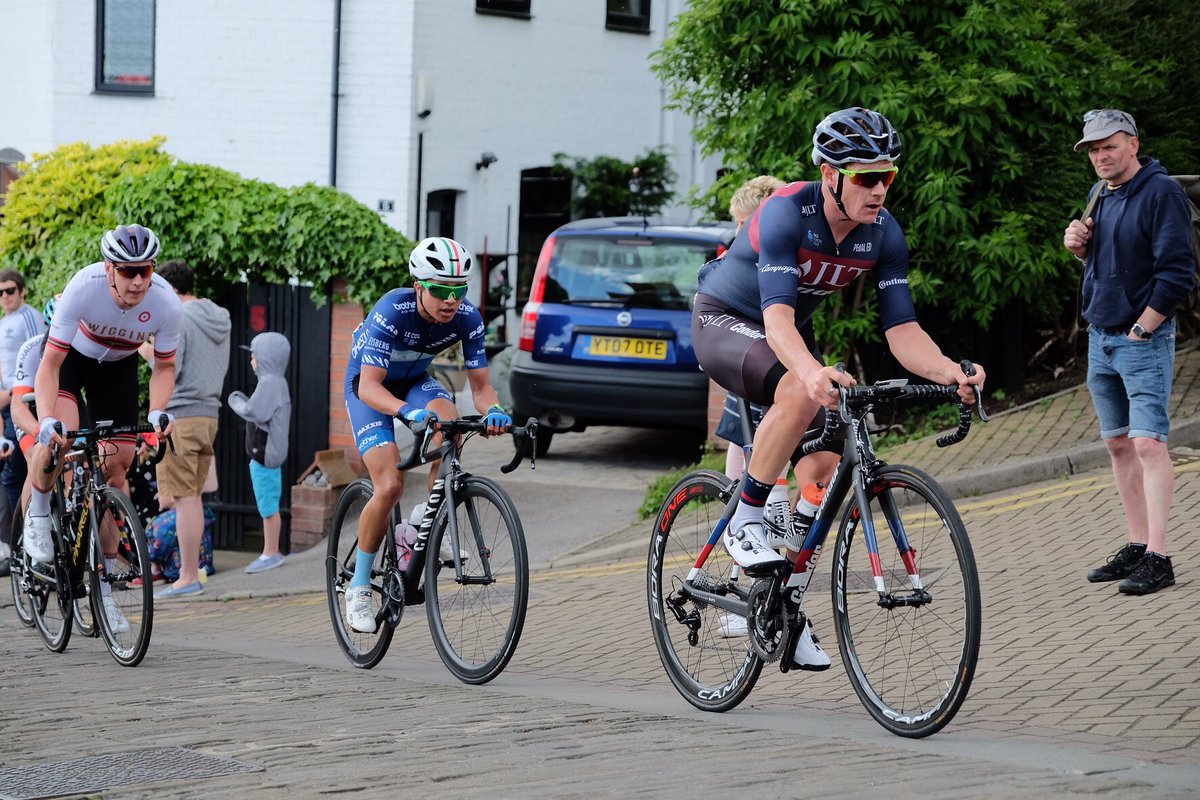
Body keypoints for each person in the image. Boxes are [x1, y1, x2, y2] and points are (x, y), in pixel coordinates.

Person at [692, 107, 985, 669]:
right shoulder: (786, 214)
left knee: (826, 460)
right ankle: (746, 518)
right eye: (864, 177)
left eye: (887, 177)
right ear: (830, 175)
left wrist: (950, 371)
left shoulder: (883, 234)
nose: (878, 190)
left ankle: (780, 603)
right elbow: (777, 322)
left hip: (785, 332)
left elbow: (902, 332)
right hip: (727, 319)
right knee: (803, 393)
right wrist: (809, 373)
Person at [342, 236, 512, 634]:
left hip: (416, 381)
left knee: (449, 424)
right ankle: (361, 586)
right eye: (440, 290)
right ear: (419, 286)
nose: (451, 300)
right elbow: (369, 387)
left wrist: (497, 412)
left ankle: (426, 520)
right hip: (370, 389)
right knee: (389, 485)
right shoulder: (392, 311)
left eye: (458, 290)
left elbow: (482, 389)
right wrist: (405, 412)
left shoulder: (468, 318)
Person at [1063, 108, 1195, 596]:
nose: (1100, 155)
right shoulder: (1101, 194)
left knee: (1149, 443)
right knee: (1118, 444)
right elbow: (1108, 262)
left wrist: (1144, 329)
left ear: (1133, 144)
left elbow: (1178, 272)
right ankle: (1137, 546)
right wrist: (1077, 246)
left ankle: (1160, 558)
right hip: (1101, 337)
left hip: (1141, 338)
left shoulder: (1163, 193)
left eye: (1109, 146)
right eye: (1093, 149)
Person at [24, 224, 180, 633]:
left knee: (117, 471)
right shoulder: (84, 287)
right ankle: (39, 514)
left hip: (118, 371)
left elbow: (164, 366)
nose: (137, 280)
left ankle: (105, 593)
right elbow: (50, 366)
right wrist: (46, 420)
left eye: (144, 270)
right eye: (127, 271)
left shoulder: (165, 302)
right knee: (61, 440)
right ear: (109, 270)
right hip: (71, 361)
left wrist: (160, 410)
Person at [145, 259, 231, 598]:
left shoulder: (179, 318)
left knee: (183, 499)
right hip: (209, 414)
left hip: (179, 414)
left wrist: (142, 348)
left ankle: (188, 576)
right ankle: (191, 573)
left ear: (167, 288)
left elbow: (170, 366)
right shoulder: (217, 316)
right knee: (191, 497)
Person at [227, 331, 292, 579]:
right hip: (269, 454)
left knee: (267, 506)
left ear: (265, 358)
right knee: (270, 503)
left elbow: (255, 412)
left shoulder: (270, 384)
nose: (251, 361)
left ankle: (270, 552)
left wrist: (236, 401)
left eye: (254, 356)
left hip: (264, 456)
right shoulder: (276, 382)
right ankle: (271, 550)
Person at [0, 268, 46, 569]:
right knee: (12, 476)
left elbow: (37, 363)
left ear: (23, 290)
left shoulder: (29, 317)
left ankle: (27, 545)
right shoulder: (5, 321)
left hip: (25, 405)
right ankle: (18, 547)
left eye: (10, 291)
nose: (4, 297)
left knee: (20, 473)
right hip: (7, 404)